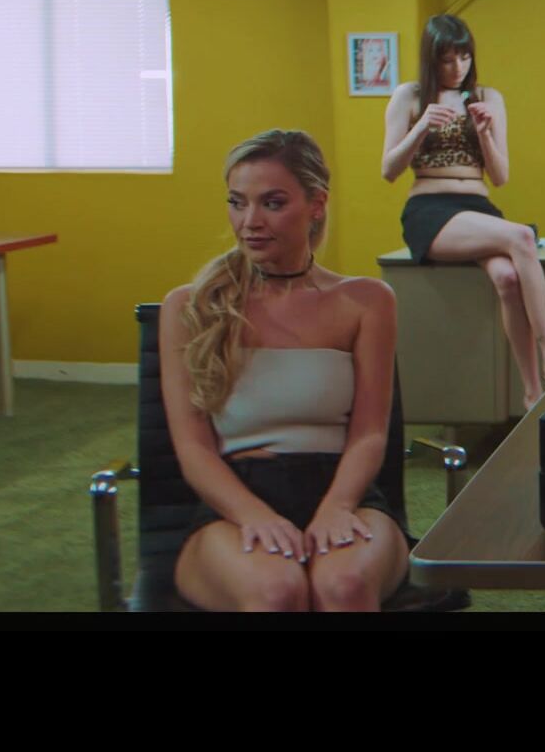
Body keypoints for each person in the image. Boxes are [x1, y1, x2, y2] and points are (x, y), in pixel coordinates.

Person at [161, 130, 408, 611]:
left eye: (272, 203)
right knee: (277, 592)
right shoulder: (191, 307)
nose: (250, 222)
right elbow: (193, 449)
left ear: (316, 205)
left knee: (344, 587)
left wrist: (337, 505)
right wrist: (254, 514)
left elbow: (370, 434)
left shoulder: (367, 301)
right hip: (235, 500)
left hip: (344, 490)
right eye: (237, 203)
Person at [383, 13, 545, 409]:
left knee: (507, 278)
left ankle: (532, 392)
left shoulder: (487, 97)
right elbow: (389, 170)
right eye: (447, 60)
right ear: (431, 59)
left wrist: (484, 134)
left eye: (464, 57)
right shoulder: (410, 96)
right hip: (429, 207)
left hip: (477, 205)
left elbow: (500, 177)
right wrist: (420, 127)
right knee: (522, 236)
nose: (458, 68)